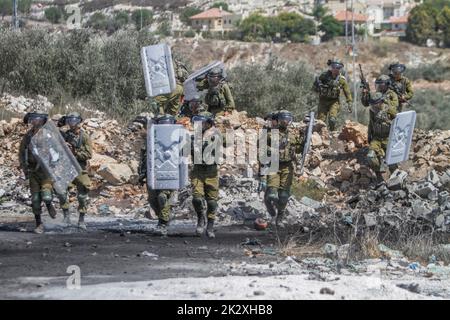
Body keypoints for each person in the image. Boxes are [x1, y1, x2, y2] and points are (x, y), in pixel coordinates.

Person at [262, 110, 304, 227]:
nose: (286, 122)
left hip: (288, 166)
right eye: (283, 119)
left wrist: (304, 140)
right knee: (272, 195)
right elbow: (262, 150)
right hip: (274, 165)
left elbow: (298, 149)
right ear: (279, 120)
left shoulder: (292, 135)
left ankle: (280, 217)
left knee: (284, 195)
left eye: (288, 120)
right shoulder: (270, 133)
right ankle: (269, 206)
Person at [138, 115, 178, 236]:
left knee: (162, 197)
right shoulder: (151, 140)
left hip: (167, 174)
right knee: (152, 200)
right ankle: (165, 215)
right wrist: (141, 175)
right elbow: (145, 159)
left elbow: (180, 160)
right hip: (153, 174)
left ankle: (163, 223)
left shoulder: (175, 141)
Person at [19, 111, 57, 234]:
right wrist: (25, 171)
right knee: (35, 200)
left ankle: (49, 204)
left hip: (46, 171)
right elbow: (22, 153)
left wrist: (54, 165)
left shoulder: (48, 135)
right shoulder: (28, 136)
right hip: (33, 172)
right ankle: (39, 224)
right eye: (33, 119)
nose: (35, 122)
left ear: (42, 121)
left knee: (46, 195)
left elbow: (57, 152)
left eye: (38, 119)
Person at [57, 112, 92, 230]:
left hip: (80, 168)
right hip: (68, 168)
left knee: (82, 196)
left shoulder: (84, 136)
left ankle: (81, 219)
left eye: (74, 120)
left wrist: (74, 152)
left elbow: (88, 154)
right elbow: (53, 135)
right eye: (70, 120)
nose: (72, 123)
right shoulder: (65, 135)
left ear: (79, 122)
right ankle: (66, 216)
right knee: (61, 192)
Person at [190, 111, 222, 238]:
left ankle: (210, 226)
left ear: (209, 124)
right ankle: (200, 218)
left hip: (211, 172)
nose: (200, 125)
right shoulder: (194, 137)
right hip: (198, 171)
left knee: (212, 201)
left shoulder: (215, 135)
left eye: (202, 123)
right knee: (197, 198)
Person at [363, 92, 398, 182]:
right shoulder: (372, 110)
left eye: (375, 104)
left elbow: (397, 122)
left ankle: (395, 179)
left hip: (388, 138)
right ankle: (379, 175)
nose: (374, 106)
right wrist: (369, 136)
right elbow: (371, 123)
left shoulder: (389, 109)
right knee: (370, 156)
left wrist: (386, 120)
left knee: (391, 161)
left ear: (381, 102)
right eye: (372, 104)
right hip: (377, 138)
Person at [313, 58, 352, 131]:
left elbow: (347, 91)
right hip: (323, 101)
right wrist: (317, 86)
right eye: (333, 67)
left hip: (334, 101)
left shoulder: (341, 79)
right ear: (331, 67)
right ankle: (320, 135)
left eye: (338, 67)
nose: (335, 69)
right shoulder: (324, 76)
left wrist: (349, 102)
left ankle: (332, 132)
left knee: (332, 119)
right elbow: (315, 86)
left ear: (340, 69)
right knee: (320, 121)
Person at [361, 75, 398, 143]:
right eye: (378, 84)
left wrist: (384, 102)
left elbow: (394, 106)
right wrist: (365, 94)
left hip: (388, 124)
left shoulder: (392, 94)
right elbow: (366, 103)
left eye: (382, 85)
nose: (380, 87)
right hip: (376, 124)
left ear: (387, 85)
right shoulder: (377, 94)